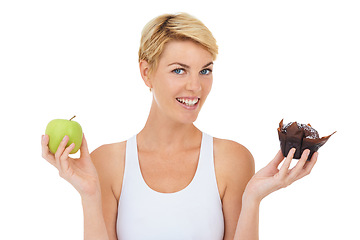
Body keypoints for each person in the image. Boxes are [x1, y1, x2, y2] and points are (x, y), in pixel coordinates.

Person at [41, 12, 318, 240]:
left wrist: (252, 200)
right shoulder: (107, 162)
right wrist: (89, 197)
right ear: (146, 72)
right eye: (178, 70)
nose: (196, 87)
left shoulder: (232, 159)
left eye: (205, 71)